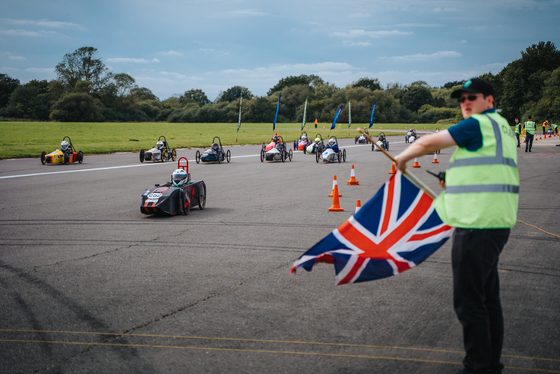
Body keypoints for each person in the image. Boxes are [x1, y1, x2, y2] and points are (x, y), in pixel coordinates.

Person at [393, 78, 519, 374]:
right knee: (488, 300)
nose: (465, 103)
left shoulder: (477, 124)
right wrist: (453, 181)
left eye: (471, 97)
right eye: (461, 98)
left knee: (469, 302)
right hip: (496, 221)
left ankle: (477, 367)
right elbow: (489, 169)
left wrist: (402, 158)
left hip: (476, 224)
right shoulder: (502, 126)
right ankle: (490, 364)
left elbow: (427, 143)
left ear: (489, 99)